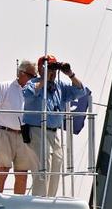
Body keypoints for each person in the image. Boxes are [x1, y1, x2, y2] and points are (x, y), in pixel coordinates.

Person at [22, 55, 86, 196]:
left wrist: (70, 74)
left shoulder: (60, 87)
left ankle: (49, 203)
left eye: (54, 68)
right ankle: (39, 202)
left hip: (53, 133)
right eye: (49, 68)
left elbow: (81, 91)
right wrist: (44, 80)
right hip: (37, 130)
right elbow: (27, 94)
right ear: (40, 69)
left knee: (56, 164)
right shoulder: (34, 83)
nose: (53, 72)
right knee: (43, 168)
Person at [0, 61, 39, 193]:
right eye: (32, 75)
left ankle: (18, 206)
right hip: (4, 133)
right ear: (21, 73)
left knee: (22, 174)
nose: (34, 79)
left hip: (24, 134)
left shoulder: (35, 90)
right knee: (2, 170)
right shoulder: (4, 86)